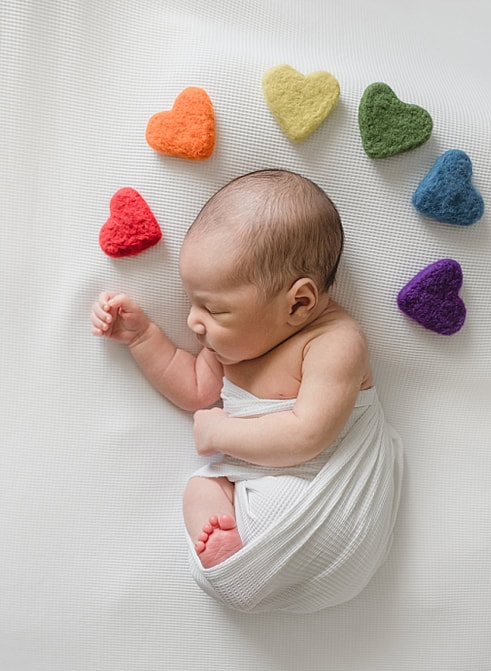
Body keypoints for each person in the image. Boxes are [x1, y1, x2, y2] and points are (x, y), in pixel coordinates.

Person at [91, 169, 402, 612]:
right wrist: (142, 339)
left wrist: (220, 435)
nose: (193, 322)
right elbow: (196, 390)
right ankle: (231, 552)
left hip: (324, 500)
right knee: (201, 492)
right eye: (192, 301)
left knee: (206, 485)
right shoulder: (229, 348)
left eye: (213, 308)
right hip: (261, 502)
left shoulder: (333, 341)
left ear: (299, 303)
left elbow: (308, 435)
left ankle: (246, 553)